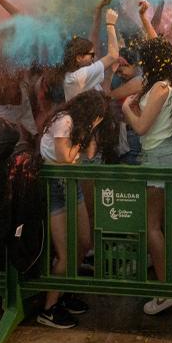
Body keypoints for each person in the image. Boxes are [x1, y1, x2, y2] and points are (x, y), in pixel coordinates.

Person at [122, 37, 172, 314]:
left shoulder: (162, 86)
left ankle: (166, 289)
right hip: (170, 153)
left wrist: (127, 106)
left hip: (158, 155)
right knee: (168, 219)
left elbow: (140, 126)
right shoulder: (171, 84)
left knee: (151, 224)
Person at [34, 90, 103, 329]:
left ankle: (64, 292)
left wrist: (90, 130)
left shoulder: (78, 125)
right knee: (65, 253)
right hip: (55, 187)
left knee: (84, 242)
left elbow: (90, 154)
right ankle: (48, 310)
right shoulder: (65, 121)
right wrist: (86, 134)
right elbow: (66, 157)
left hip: (72, 185)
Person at [62, 9, 120, 100]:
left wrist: (110, 73)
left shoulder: (75, 75)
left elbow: (103, 94)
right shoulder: (80, 76)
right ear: (79, 58)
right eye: (91, 55)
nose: (93, 58)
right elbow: (113, 55)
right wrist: (110, 25)